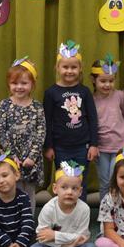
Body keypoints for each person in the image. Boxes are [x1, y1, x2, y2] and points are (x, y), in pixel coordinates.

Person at [43, 40, 99, 199]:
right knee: (64, 181)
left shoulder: (85, 91)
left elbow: (93, 119)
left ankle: (81, 213)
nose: (69, 71)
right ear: (57, 68)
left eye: (73, 67)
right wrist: (48, 146)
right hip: (60, 148)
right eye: (65, 67)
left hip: (82, 147)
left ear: (80, 69)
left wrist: (94, 144)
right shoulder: (51, 93)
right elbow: (47, 121)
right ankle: (63, 212)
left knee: (80, 182)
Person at [23, 161, 99, 247]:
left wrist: (55, 235)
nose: (69, 192)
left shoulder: (84, 209)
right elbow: (41, 236)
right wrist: (70, 239)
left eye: (74, 188)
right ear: (55, 189)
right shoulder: (48, 208)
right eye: (64, 187)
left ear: (80, 191)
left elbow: (83, 237)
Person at [0, 57, 46, 208]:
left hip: (31, 159)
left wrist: (32, 156)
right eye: (14, 83)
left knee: (29, 193)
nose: (19, 87)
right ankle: (12, 218)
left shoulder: (37, 107)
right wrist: (12, 156)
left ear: (32, 84)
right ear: (9, 84)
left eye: (24, 83)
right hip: (11, 157)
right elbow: (0, 131)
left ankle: (28, 219)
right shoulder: (4, 105)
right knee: (11, 191)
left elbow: (41, 132)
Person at [91, 53, 124, 198]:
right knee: (105, 181)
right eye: (103, 81)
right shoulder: (91, 99)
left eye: (111, 81)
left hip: (120, 145)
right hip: (101, 147)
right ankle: (105, 209)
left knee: (115, 179)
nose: (107, 85)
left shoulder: (119, 95)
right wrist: (92, 144)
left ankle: (118, 208)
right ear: (94, 80)